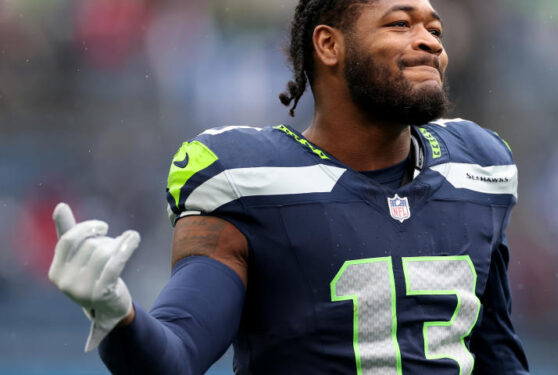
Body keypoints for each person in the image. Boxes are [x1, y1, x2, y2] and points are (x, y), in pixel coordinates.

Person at [48, 0, 530, 373]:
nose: (430, 43)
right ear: (328, 44)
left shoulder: (477, 168)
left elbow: (499, 359)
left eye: (434, 29)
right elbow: (177, 356)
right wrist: (117, 316)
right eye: (401, 24)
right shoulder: (249, 180)